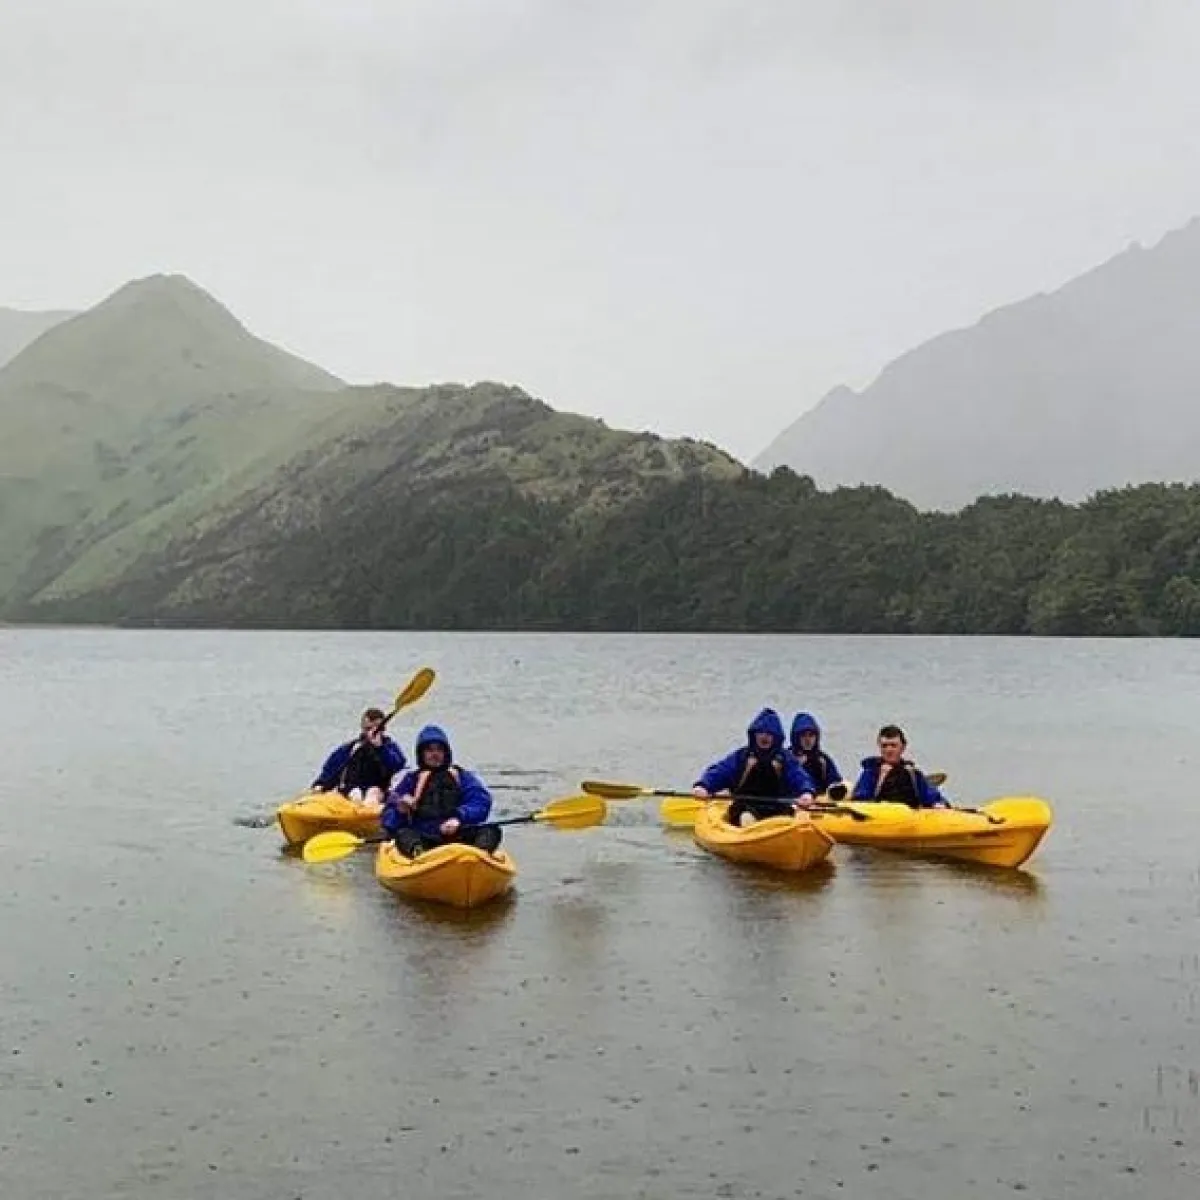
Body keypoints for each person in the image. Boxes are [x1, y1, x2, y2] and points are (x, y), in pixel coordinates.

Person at [381, 724, 501, 858]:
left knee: (491, 829)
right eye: (429, 750)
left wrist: (459, 818)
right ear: (422, 754)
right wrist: (400, 810)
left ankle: (479, 857)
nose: (435, 754)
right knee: (403, 834)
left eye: (439, 750)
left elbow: (481, 802)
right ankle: (419, 854)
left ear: (446, 753)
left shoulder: (461, 776)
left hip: (458, 834)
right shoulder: (411, 780)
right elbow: (388, 817)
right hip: (425, 838)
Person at [692, 707, 816, 825]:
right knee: (746, 817)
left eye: (769, 734)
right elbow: (721, 771)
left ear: (775, 736)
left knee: (790, 817)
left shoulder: (785, 758)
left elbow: (799, 776)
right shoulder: (743, 756)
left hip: (778, 807)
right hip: (745, 806)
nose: (764, 737)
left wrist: (806, 792)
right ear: (754, 734)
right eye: (761, 733)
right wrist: (704, 786)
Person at [311, 707, 406, 808]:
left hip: (378, 791)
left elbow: (398, 765)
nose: (372, 733)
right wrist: (320, 784)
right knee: (355, 794)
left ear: (383, 730)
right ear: (362, 728)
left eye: (377, 729)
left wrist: (379, 748)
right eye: (368, 729)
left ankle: (366, 812)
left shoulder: (389, 748)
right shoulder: (351, 748)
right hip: (351, 790)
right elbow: (332, 769)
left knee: (372, 792)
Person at [852, 724, 949, 808]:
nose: (889, 750)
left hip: (908, 821)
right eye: (884, 746)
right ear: (879, 747)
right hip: (880, 819)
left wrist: (939, 804)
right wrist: (881, 779)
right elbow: (860, 800)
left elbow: (932, 797)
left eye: (893, 745)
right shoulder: (871, 772)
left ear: (903, 747)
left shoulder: (912, 773)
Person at [789, 711, 843, 797]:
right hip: (795, 800)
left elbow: (835, 783)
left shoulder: (823, 760)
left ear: (816, 737)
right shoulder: (787, 757)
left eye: (811, 735)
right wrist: (798, 766)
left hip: (819, 803)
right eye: (803, 736)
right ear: (796, 738)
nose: (808, 740)